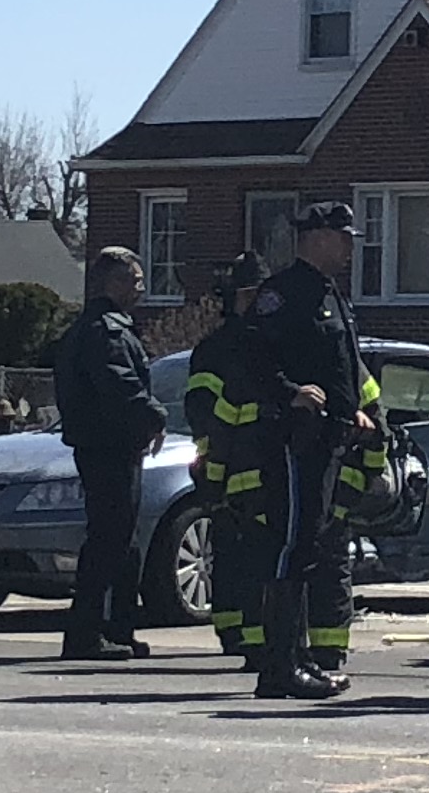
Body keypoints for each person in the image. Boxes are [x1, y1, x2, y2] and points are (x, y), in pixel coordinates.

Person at [238, 202, 376, 700]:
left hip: (328, 439)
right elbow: (250, 358)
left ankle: (297, 660)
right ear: (315, 238)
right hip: (293, 440)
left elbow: (339, 362)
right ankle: (278, 666)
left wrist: (352, 410)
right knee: (291, 549)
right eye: (341, 237)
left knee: (308, 552)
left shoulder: (328, 293)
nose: (348, 246)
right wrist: (289, 391)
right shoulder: (283, 293)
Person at [47, 246, 168, 663]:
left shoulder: (92, 326)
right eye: (134, 281)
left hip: (108, 445)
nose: (140, 289)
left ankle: (118, 627)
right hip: (108, 446)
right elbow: (119, 383)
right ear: (113, 283)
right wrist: (154, 415)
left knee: (123, 540)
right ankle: (86, 633)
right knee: (108, 540)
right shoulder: (106, 331)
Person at [180, 255, 268, 660]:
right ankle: (243, 635)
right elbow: (202, 411)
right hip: (234, 466)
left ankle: (239, 633)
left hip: (236, 466)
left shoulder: (234, 344)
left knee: (239, 554)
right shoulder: (223, 349)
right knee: (242, 556)